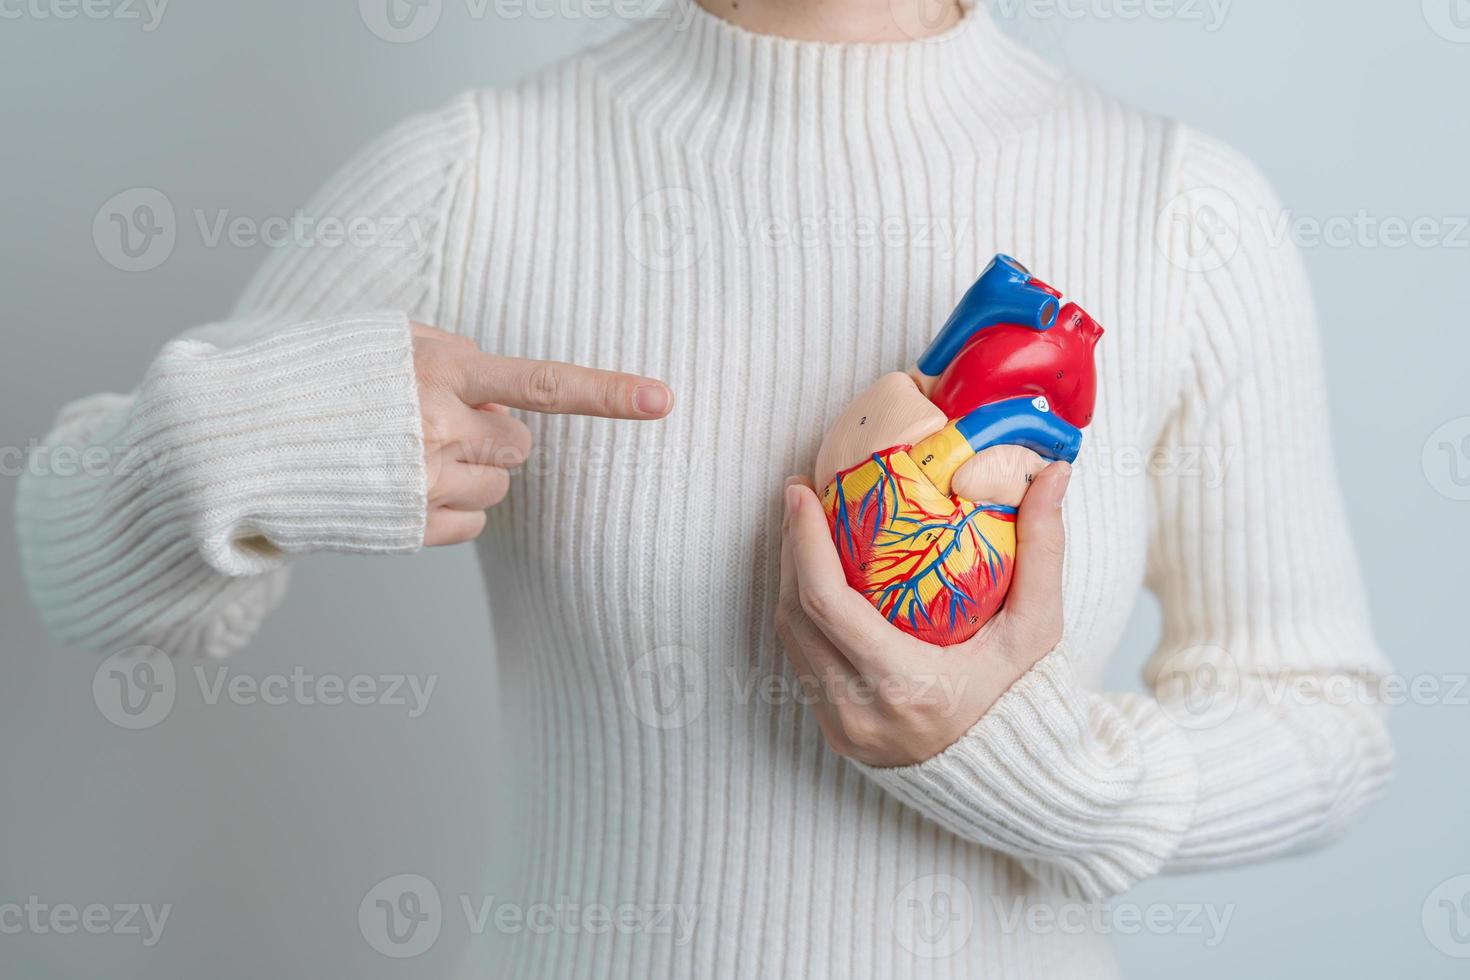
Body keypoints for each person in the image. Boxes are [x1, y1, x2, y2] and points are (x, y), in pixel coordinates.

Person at [16, 0, 1393, 975]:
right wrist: (242, 434)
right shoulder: (478, 180)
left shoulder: (1179, 206)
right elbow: (88, 583)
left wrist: (1023, 767)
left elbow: (1318, 722)